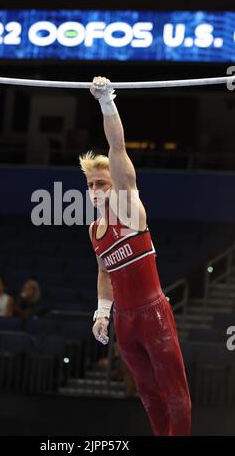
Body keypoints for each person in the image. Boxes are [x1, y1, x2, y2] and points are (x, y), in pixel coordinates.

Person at [79, 76, 191, 436]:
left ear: (116, 185)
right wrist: (102, 312)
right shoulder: (95, 231)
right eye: (91, 185)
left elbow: (117, 147)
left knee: (176, 396)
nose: (95, 190)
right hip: (125, 323)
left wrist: (105, 101)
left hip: (153, 314)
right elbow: (104, 271)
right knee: (147, 394)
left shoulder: (130, 212)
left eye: (102, 183)